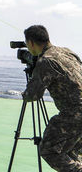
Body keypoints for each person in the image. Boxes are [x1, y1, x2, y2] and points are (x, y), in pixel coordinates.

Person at [22, 24, 82, 172]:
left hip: (75, 113)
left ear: (31, 43)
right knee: (71, 151)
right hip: (77, 114)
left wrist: (26, 92)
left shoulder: (46, 61)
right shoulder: (67, 52)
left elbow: (33, 95)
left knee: (49, 150)